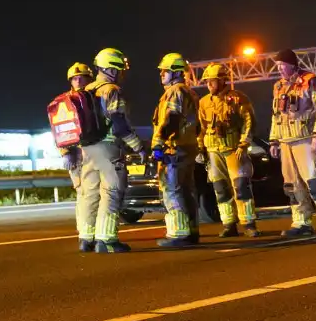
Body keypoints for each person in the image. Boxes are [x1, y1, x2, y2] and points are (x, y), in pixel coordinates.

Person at [76, 47, 147, 253]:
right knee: (112, 192)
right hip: (108, 148)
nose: (121, 74)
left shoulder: (86, 90)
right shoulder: (111, 90)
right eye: (119, 69)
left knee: (90, 193)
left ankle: (86, 238)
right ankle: (106, 240)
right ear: (112, 70)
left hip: (87, 150)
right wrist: (138, 146)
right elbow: (119, 124)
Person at [269, 48, 316, 236]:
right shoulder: (278, 87)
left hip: (305, 139)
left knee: (314, 181)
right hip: (286, 142)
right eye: (278, 66)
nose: (280, 69)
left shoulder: (310, 81)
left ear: (292, 64)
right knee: (292, 186)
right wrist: (274, 141)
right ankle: (301, 223)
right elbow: (276, 116)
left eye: (283, 65)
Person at [197, 62, 260, 238]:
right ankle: (229, 224)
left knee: (241, 186)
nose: (209, 85)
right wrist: (201, 148)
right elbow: (201, 128)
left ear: (222, 80)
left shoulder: (238, 98)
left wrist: (243, 143)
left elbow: (249, 121)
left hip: (233, 149)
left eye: (212, 81)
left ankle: (248, 223)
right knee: (220, 188)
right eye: (207, 81)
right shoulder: (203, 103)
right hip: (213, 151)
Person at [151, 53, 202, 248]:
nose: (162, 74)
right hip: (188, 146)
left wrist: (158, 142)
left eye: (165, 71)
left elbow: (171, 119)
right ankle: (191, 231)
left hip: (175, 147)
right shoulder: (190, 92)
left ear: (176, 73)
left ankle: (179, 234)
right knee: (187, 190)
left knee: (172, 189)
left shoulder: (174, 92)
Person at [61, 62, 92, 191]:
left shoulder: (95, 97)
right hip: (77, 154)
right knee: (83, 193)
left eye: (81, 77)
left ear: (89, 79)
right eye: (74, 78)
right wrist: (65, 153)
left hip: (96, 152)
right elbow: (60, 129)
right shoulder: (64, 102)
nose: (78, 81)